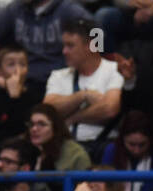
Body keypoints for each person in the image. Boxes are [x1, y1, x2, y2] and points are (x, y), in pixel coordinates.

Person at [44, 19, 124, 150]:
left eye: (70, 46)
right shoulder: (59, 75)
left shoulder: (114, 70)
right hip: (65, 148)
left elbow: (110, 109)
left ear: (91, 45)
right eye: (64, 46)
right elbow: (48, 111)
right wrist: (83, 96)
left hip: (103, 145)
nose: (64, 51)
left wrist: (73, 118)